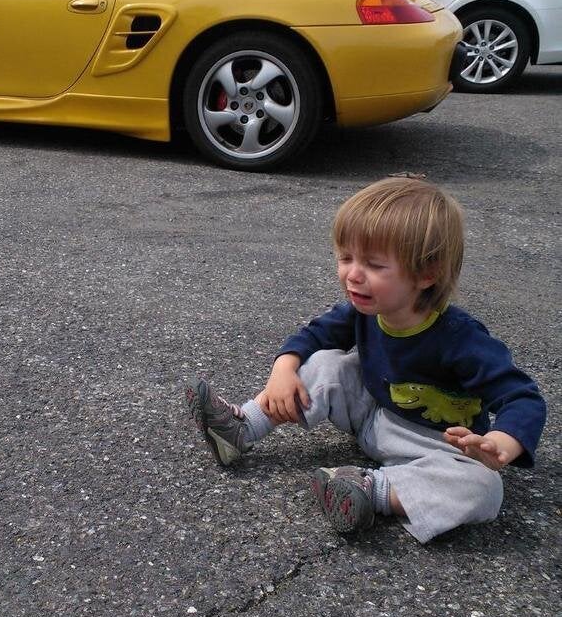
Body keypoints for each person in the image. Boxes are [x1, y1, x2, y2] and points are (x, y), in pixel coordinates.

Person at [185, 177, 546, 544]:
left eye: (374, 264)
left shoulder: (462, 339)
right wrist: (283, 368)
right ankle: (243, 427)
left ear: (427, 273)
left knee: (485, 488)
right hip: (373, 416)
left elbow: (522, 397)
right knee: (329, 363)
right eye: (345, 257)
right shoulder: (362, 311)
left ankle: (370, 490)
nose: (353, 275)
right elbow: (313, 335)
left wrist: (503, 440)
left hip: (435, 447)